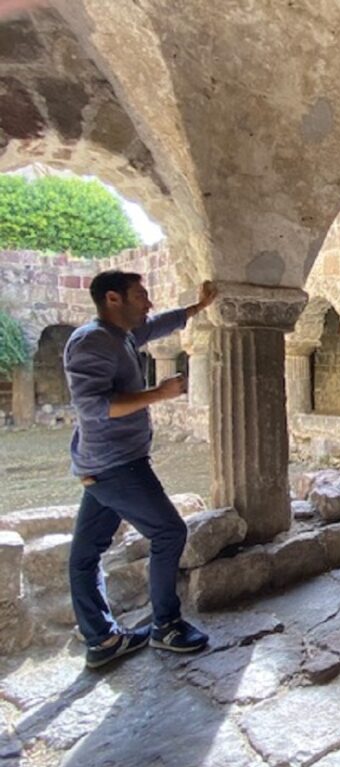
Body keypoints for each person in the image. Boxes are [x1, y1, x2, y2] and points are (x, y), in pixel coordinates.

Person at [64, 271, 217, 668]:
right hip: (116, 464)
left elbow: (154, 325)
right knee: (169, 531)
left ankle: (102, 641)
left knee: (85, 554)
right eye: (141, 295)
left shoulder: (121, 336)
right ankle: (165, 625)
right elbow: (93, 407)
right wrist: (159, 394)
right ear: (113, 299)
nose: (148, 303)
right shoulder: (91, 342)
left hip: (107, 463)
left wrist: (197, 308)